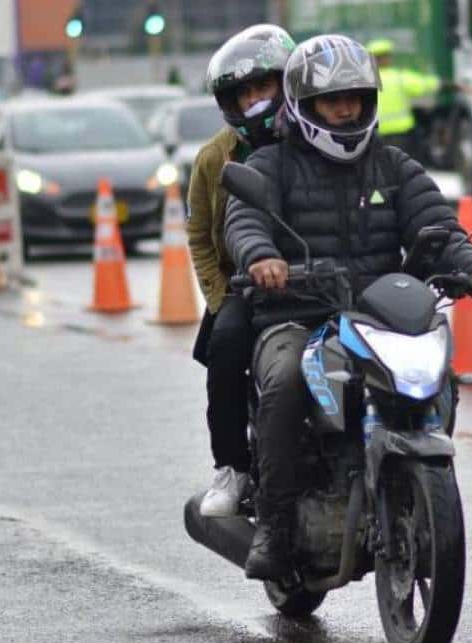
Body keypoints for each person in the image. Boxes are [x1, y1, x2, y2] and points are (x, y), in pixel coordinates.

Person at [225, 35, 472, 581]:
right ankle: (277, 527)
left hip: (380, 316)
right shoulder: (271, 165)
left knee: (438, 371)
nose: (347, 110)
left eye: (355, 98)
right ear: (304, 106)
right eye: (333, 101)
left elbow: (438, 227)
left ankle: (409, 481)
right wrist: (262, 257)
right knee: (285, 380)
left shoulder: (395, 166)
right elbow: (245, 220)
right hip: (296, 315)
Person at [187, 24, 295, 518]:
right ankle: (232, 468)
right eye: (242, 93)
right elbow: (201, 236)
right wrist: (220, 297)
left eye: (263, 88)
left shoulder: (316, 141)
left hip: (316, 281)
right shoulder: (214, 158)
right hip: (243, 287)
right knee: (225, 349)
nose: (254, 101)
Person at [366, 38, 440, 157]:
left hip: (376, 135)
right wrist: (453, 85)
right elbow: (427, 85)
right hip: (402, 133)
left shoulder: (365, 80)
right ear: (388, 58)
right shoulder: (400, 77)